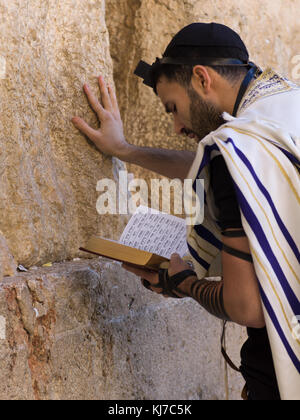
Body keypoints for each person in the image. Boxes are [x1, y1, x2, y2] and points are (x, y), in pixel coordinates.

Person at [72, 23, 300, 400]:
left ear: (201, 78)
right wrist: (126, 150)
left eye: (173, 108)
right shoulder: (283, 109)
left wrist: (181, 284)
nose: (177, 126)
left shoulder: (238, 151)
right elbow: (210, 166)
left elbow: (246, 307)